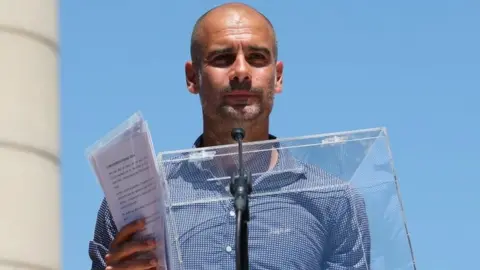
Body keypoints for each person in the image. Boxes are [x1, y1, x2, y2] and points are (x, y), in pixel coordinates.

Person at [89, 2, 371, 269]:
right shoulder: (138, 202)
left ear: (278, 76)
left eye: (257, 58)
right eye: (222, 58)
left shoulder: (334, 200)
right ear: (192, 77)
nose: (240, 71)